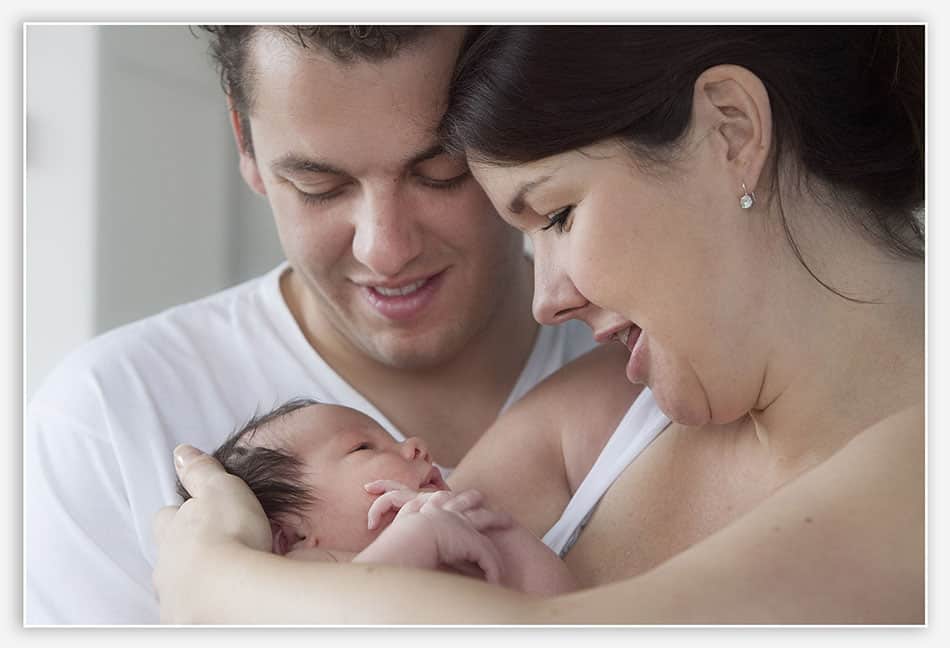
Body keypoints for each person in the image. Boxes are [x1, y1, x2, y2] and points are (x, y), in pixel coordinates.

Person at [153, 25, 924, 624]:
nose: (544, 300)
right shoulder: (599, 415)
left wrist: (218, 581)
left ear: (730, 128)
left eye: (556, 213)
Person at [25, 26, 604, 625]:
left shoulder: (656, 366)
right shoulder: (105, 422)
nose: (386, 250)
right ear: (244, 142)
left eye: (441, 173)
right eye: (319, 187)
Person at [175, 397, 577, 595]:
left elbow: (559, 604)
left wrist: (501, 535)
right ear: (291, 537)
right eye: (364, 448)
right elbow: (346, 617)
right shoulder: (307, 573)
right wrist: (421, 538)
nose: (415, 445)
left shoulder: (451, 543)